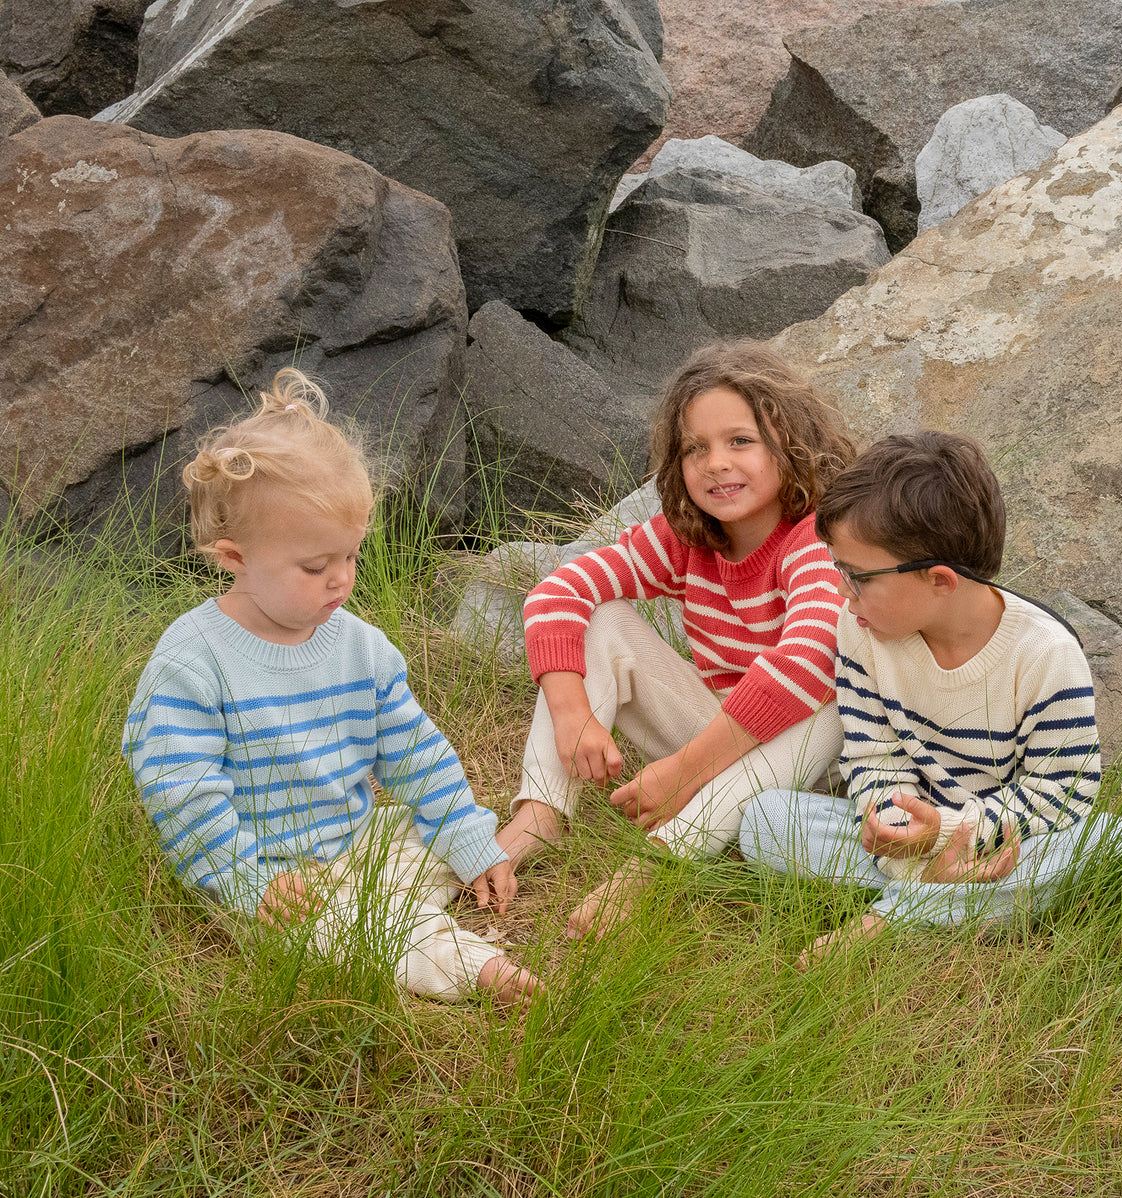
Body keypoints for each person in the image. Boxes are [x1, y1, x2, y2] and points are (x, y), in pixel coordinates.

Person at [123, 368, 541, 1007]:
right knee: (341, 930)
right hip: (271, 876)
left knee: (435, 832)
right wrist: (249, 880)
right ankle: (470, 964)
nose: (340, 580)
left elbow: (413, 752)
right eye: (315, 566)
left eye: (350, 556)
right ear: (235, 558)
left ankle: (453, 875)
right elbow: (181, 792)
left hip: (356, 839)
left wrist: (462, 834)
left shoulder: (359, 646)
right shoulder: (194, 659)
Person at [496, 341, 856, 937]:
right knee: (606, 620)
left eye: (740, 441)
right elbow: (558, 593)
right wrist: (572, 711)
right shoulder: (685, 538)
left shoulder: (815, 539)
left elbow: (806, 660)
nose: (716, 463)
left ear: (790, 445)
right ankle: (539, 813)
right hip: (721, 736)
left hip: (804, 775)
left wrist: (683, 771)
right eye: (696, 448)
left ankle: (657, 865)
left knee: (832, 697)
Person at [738, 430, 1122, 963]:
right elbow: (874, 755)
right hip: (912, 838)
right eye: (838, 571)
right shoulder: (859, 629)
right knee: (765, 820)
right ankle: (949, 900)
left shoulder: (1045, 656)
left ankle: (892, 919)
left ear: (941, 581)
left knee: (1105, 843)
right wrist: (901, 836)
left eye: (856, 577)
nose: (841, 593)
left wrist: (956, 835)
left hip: (1003, 839)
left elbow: (1061, 791)